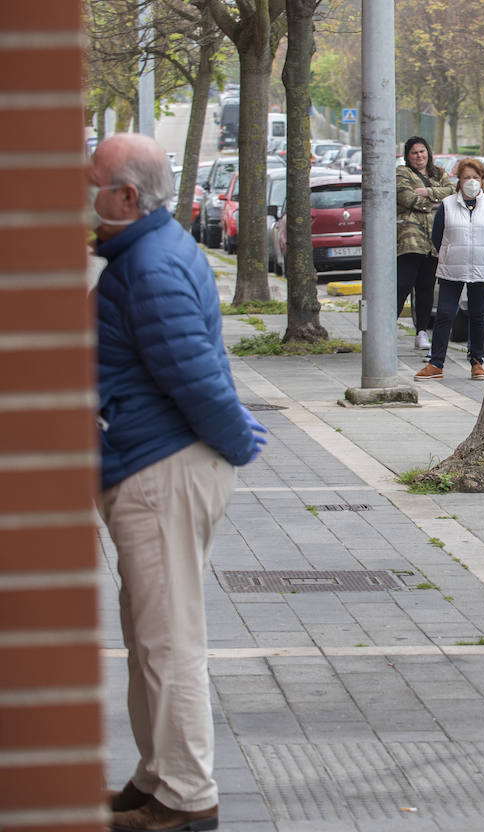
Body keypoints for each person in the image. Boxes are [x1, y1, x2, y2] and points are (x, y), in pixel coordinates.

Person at [91, 134, 268, 831]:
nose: (87, 196)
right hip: (157, 464)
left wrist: (230, 443)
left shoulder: (150, 266)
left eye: (94, 184)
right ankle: (157, 776)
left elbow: (194, 374)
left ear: (127, 197)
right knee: (151, 636)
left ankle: (187, 799)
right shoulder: (148, 255)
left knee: (168, 642)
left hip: (161, 471)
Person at [415, 157, 484, 381]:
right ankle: (436, 362)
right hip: (451, 268)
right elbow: (437, 236)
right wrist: (451, 252)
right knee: (444, 314)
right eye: (466, 178)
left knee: (478, 316)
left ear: (482, 180)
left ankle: (477, 362)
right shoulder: (447, 204)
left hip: (482, 268)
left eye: (475, 177)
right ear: (459, 181)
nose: (471, 182)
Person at [396, 136, 455, 353]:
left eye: (422, 152)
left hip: (435, 240)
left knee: (426, 288)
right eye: (414, 153)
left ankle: (421, 331)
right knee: (403, 284)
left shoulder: (439, 173)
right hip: (411, 239)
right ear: (407, 156)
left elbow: (452, 193)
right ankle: (387, 327)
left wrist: (428, 192)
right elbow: (407, 198)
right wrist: (435, 202)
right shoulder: (403, 174)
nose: (419, 156)